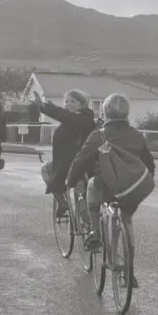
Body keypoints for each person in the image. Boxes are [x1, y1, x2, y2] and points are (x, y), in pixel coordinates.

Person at [67, 93, 155, 290]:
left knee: (90, 185)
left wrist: (71, 181)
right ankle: (129, 270)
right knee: (127, 221)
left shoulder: (99, 135)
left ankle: (95, 230)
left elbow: (80, 160)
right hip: (130, 191)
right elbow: (150, 164)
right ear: (126, 113)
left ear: (105, 113)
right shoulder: (136, 135)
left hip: (106, 188)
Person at [31, 89, 97, 219]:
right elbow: (64, 115)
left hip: (78, 164)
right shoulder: (71, 118)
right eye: (66, 101)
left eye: (73, 101)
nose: (68, 104)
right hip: (65, 162)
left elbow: (64, 115)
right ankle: (62, 202)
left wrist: (44, 107)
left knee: (79, 193)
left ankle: (87, 225)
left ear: (82, 104)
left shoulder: (84, 119)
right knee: (46, 169)